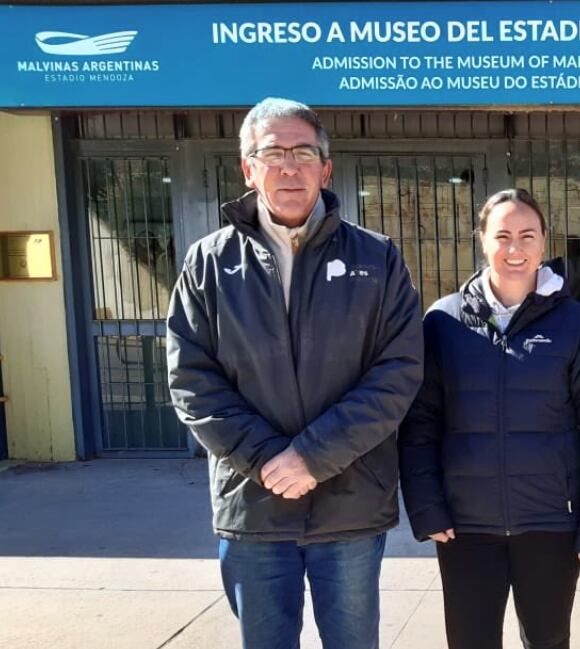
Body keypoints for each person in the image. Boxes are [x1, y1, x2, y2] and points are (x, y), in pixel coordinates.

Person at [166, 97, 423, 649]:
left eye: (303, 152)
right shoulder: (208, 264)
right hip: (253, 506)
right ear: (248, 168)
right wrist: (266, 461)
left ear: (325, 169)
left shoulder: (377, 260)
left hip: (350, 502)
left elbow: (398, 371)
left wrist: (313, 456)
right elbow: (192, 379)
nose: (289, 167)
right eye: (272, 153)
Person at [399, 188, 580, 649]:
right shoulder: (443, 322)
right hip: (465, 528)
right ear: (482, 240)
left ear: (544, 242)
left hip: (550, 525)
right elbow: (419, 425)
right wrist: (427, 508)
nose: (515, 248)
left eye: (527, 235)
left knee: (547, 641)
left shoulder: (575, 324)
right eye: (502, 235)